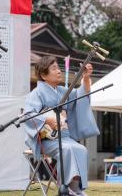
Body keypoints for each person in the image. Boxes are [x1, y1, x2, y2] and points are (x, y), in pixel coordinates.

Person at [23, 56, 100, 196]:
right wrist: (47, 120)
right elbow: (28, 115)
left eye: (58, 68)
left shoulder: (62, 91)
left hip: (64, 137)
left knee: (81, 149)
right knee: (68, 149)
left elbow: (80, 97)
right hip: (45, 140)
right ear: (43, 75)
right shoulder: (36, 93)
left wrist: (86, 78)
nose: (59, 71)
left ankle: (74, 187)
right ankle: (65, 187)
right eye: (54, 68)